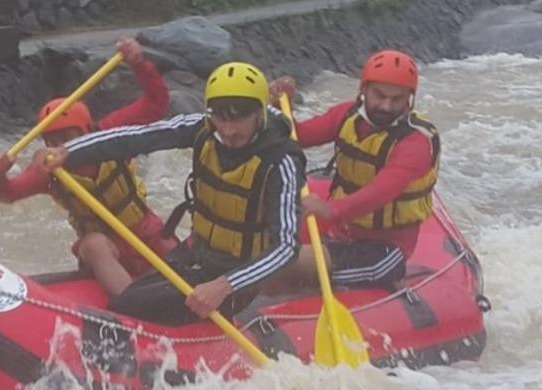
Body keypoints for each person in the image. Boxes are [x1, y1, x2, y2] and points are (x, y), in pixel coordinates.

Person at [41, 62, 306, 325]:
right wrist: (71, 151)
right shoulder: (204, 128)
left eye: (238, 119)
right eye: (221, 118)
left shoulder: (280, 161)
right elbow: (140, 136)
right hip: (195, 258)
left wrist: (224, 286)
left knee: (127, 307)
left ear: (260, 113)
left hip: (238, 278)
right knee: (130, 298)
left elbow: (285, 247)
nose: (228, 130)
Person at [0, 38, 177, 297]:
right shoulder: (48, 168)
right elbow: (8, 194)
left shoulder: (112, 134)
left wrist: (139, 64)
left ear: (87, 130)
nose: (60, 147)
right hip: (104, 249)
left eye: (67, 138)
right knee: (94, 244)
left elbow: (156, 104)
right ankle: (132, 306)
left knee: (173, 249)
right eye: (52, 141)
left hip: (144, 232)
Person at [268, 49, 440, 288]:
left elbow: (382, 191)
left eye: (397, 99)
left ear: (409, 99)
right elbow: (296, 138)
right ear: (363, 90)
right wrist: (278, 105)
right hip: (341, 235)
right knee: (260, 255)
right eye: (379, 95)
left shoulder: (415, 143)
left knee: (283, 269)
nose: (386, 106)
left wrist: (331, 210)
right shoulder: (346, 115)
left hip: (383, 251)